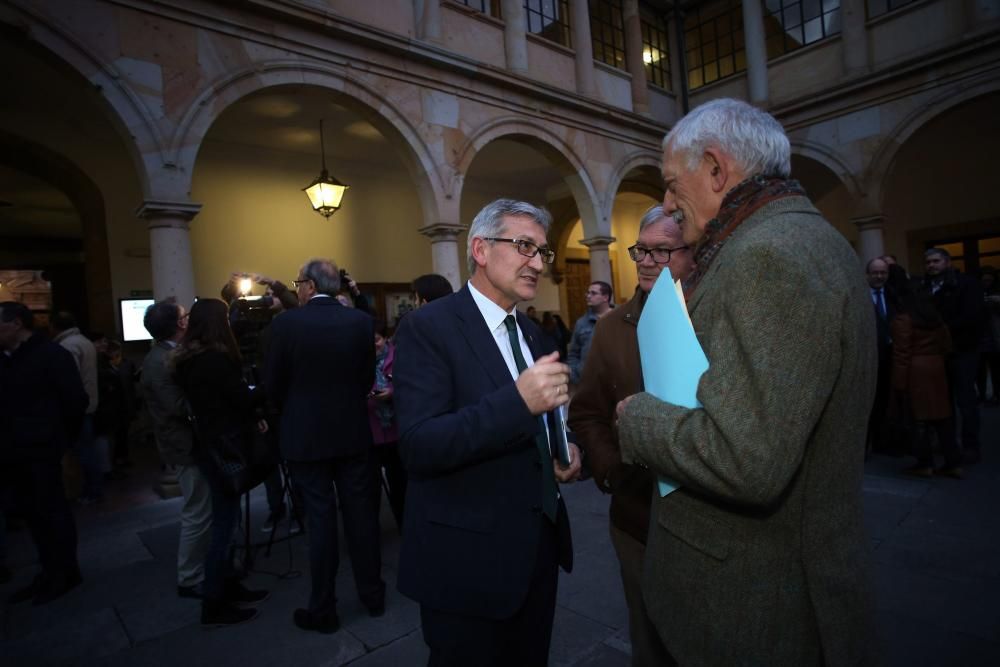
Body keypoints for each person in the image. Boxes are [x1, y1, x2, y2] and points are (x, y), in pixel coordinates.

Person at [615, 98, 876, 666]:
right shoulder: (800, 240)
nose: (665, 203)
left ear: (715, 169)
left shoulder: (768, 257)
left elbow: (745, 458)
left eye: (668, 183)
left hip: (750, 607)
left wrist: (637, 418)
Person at [393, 198, 582, 665]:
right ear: (479, 248)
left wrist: (564, 448)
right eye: (523, 246)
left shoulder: (534, 334)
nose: (537, 262)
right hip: (466, 564)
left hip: (536, 551)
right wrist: (518, 402)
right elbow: (420, 445)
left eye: (542, 251)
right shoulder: (428, 327)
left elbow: (541, 421)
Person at [568, 205, 692, 667]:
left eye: (662, 251)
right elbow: (586, 413)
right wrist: (613, 471)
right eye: (641, 250)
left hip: (710, 521)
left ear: (692, 254)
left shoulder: (711, 318)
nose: (644, 260)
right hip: (638, 518)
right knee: (650, 641)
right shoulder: (610, 327)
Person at [265, 259, 384, 634]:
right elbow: (366, 377)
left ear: (309, 286)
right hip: (351, 432)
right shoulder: (361, 323)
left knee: (320, 522)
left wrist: (292, 412)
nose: (297, 288)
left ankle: (324, 609)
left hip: (306, 436)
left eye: (298, 282)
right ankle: (373, 596)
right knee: (361, 517)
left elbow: (272, 384)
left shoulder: (285, 324)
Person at [172, 298, 270, 627]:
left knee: (223, 518)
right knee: (224, 526)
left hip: (209, 446)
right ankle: (215, 602)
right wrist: (268, 388)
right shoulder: (215, 359)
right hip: (226, 447)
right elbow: (239, 399)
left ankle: (230, 586)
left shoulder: (188, 359)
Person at [0, 301, 87, 605]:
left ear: (15, 324)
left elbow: (75, 402)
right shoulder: (9, 359)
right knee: (34, 515)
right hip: (16, 451)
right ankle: (48, 570)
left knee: (52, 512)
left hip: (43, 449)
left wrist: (59, 440)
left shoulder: (52, 356)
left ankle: (64, 571)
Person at [141, 299, 212, 600]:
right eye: (185, 315)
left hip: (189, 441)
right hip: (184, 444)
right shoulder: (159, 362)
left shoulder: (168, 354)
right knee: (197, 510)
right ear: (180, 324)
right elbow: (178, 407)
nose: (189, 318)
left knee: (202, 507)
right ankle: (190, 576)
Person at [890, 279, 961, 478]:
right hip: (936, 368)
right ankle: (953, 462)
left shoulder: (904, 320)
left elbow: (901, 353)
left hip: (916, 371)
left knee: (918, 420)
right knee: (943, 418)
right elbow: (947, 344)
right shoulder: (934, 317)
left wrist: (899, 384)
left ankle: (925, 463)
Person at [922, 248, 985, 463]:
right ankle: (947, 442)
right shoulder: (925, 287)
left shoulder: (966, 284)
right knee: (943, 400)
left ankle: (970, 446)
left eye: (936, 261)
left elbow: (972, 315)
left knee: (966, 400)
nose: (932, 265)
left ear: (947, 262)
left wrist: (943, 330)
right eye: (928, 262)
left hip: (963, 350)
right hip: (938, 353)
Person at [50, 311, 102, 503]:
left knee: (84, 451)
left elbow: (70, 378)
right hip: (89, 402)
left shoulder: (67, 346)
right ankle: (93, 488)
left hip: (79, 406)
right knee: (88, 449)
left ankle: (91, 490)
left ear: (54, 326)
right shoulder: (83, 341)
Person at [367, 318, 406, 532]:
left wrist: (392, 392)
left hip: (396, 430)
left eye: (377, 340)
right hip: (372, 431)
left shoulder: (398, 357)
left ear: (385, 339)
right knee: (370, 488)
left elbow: (409, 385)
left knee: (399, 484)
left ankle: (405, 527)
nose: (374, 345)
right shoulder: (361, 362)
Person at [866, 257, 896, 455]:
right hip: (869, 360)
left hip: (893, 359)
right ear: (867, 274)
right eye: (875, 272)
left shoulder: (895, 295)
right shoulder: (860, 297)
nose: (879, 276)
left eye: (883, 272)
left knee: (887, 401)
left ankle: (883, 441)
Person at [566, 281, 613, 385]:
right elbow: (573, 353)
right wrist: (575, 374)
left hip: (616, 379)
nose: (588, 296)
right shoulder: (581, 323)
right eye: (588, 293)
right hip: (589, 382)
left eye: (593, 293)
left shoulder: (619, 317)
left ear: (605, 297)